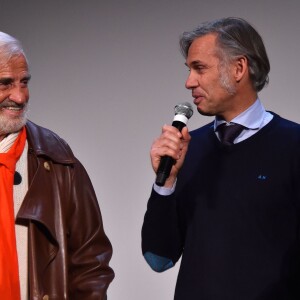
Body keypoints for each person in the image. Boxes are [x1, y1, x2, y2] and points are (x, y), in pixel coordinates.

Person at [142, 17, 300, 299]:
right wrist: (165, 184)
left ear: (239, 68)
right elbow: (158, 258)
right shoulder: (187, 149)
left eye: (199, 68)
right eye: (189, 69)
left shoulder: (293, 145)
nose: (189, 82)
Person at [0, 32, 114, 299]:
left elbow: (91, 264)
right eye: (5, 83)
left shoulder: (58, 160)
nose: (19, 97)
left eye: (24, 82)